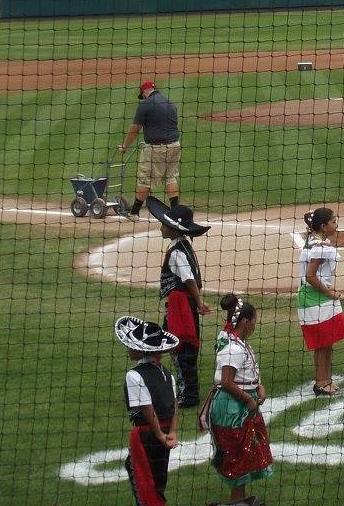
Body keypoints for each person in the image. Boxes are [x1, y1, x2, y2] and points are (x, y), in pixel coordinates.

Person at [203, 295, 273, 506]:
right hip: (233, 407)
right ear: (245, 321)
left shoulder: (238, 342)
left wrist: (258, 385)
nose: (254, 324)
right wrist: (248, 400)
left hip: (239, 405)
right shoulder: (233, 348)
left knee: (244, 450)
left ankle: (239, 498)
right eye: (253, 320)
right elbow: (227, 382)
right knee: (237, 451)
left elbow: (247, 372)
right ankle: (236, 502)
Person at [148, 195, 211, 408]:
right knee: (170, 344)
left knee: (181, 349)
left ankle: (188, 396)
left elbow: (189, 280)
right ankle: (175, 387)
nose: (161, 228)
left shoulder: (177, 251)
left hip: (180, 306)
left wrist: (199, 303)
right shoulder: (183, 245)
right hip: (180, 305)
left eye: (164, 225)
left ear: (174, 229)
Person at [115, 316, 180, 506]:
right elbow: (174, 405)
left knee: (143, 483)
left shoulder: (133, 375)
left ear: (139, 349)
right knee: (158, 482)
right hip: (165, 434)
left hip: (147, 435)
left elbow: (146, 407)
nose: (128, 348)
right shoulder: (167, 374)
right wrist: (172, 432)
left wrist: (159, 434)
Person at [297, 207, 344, 395]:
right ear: (323, 226)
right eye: (333, 222)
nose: (336, 225)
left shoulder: (313, 240)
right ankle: (321, 382)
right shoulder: (322, 247)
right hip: (316, 300)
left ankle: (326, 379)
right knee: (323, 343)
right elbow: (311, 276)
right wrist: (330, 293)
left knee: (327, 341)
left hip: (314, 299)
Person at [119, 80, 181, 221]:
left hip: (156, 149)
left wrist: (124, 147)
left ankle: (134, 213)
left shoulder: (145, 105)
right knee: (171, 177)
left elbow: (135, 129)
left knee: (145, 179)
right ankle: (176, 213)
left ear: (145, 92)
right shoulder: (169, 103)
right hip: (175, 146)